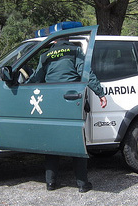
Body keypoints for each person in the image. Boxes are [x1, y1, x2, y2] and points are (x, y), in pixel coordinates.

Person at [27, 38, 107, 193]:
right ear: (68, 41)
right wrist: (100, 93)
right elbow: (85, 73)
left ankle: (51, 183)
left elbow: (37, 78)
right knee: (76, 142)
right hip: (71, 99)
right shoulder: (75, 51)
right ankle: (82, 184)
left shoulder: (46, 55)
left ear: (55, 41)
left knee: (52, 143)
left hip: (51, 100)